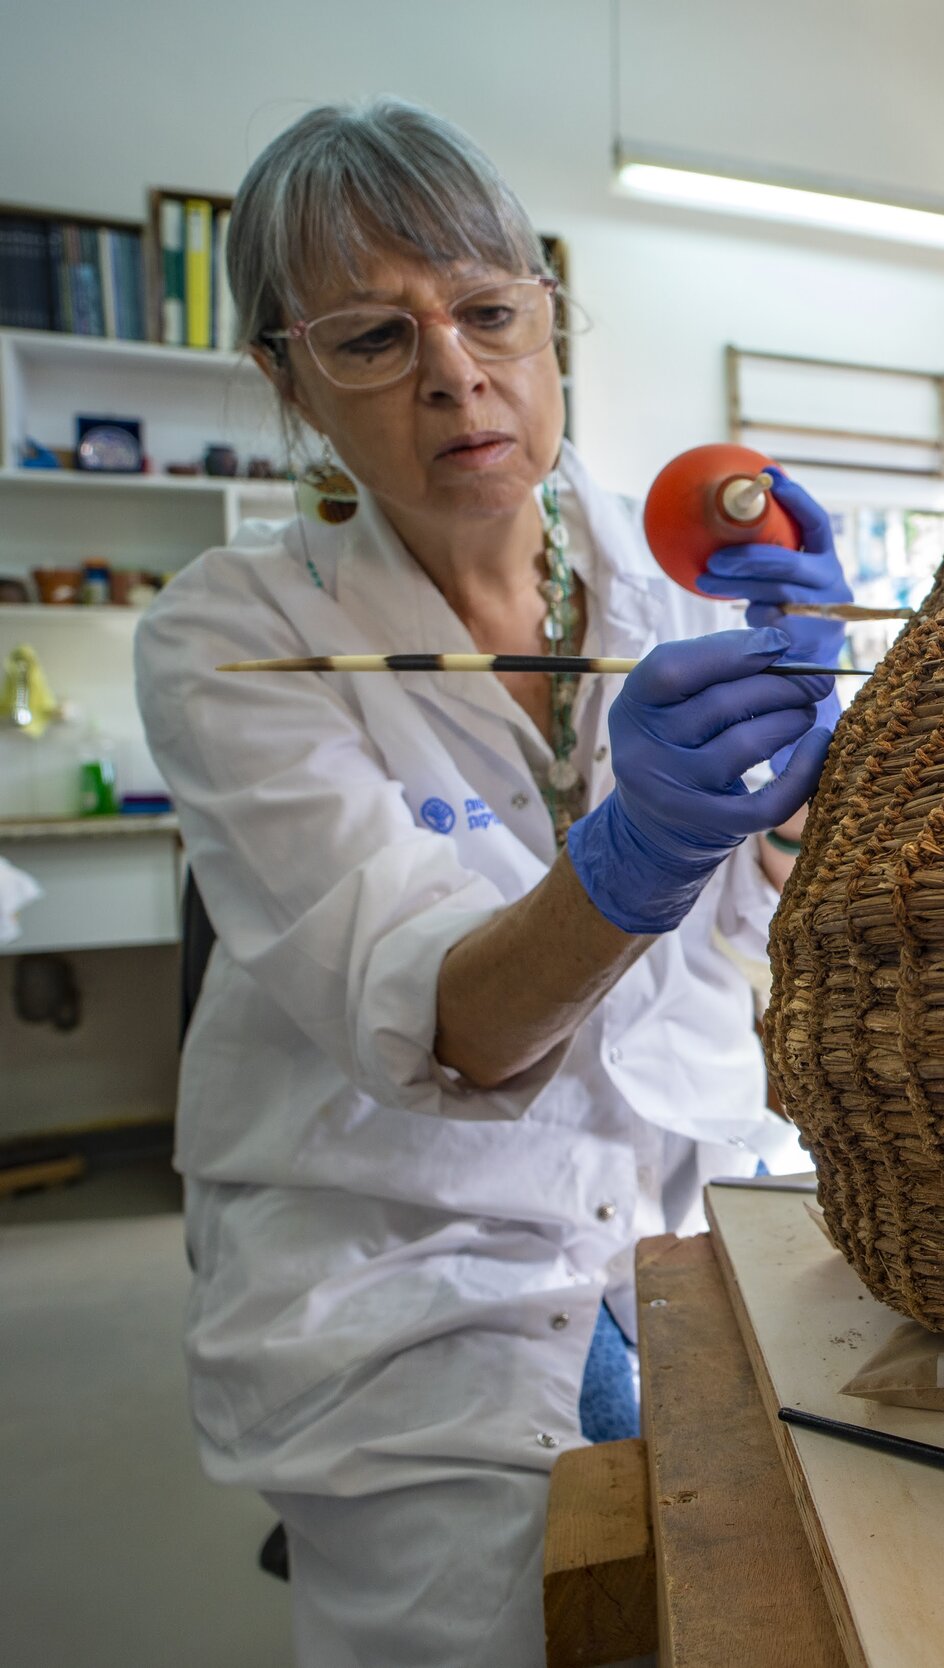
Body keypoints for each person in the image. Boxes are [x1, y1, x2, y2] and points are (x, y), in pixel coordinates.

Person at [134, 99, 853, 1667]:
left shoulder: (668, 590)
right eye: (372, 338)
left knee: (820, 1592)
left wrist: (813, 790)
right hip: (407, 1263)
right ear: (287, 378)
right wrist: (638, 852)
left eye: (487, 310)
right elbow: (452, 1025)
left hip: (696, 1199)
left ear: (548, 318)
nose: (456, 371)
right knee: (496, 1630)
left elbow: (764, 929)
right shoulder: (229, 638)